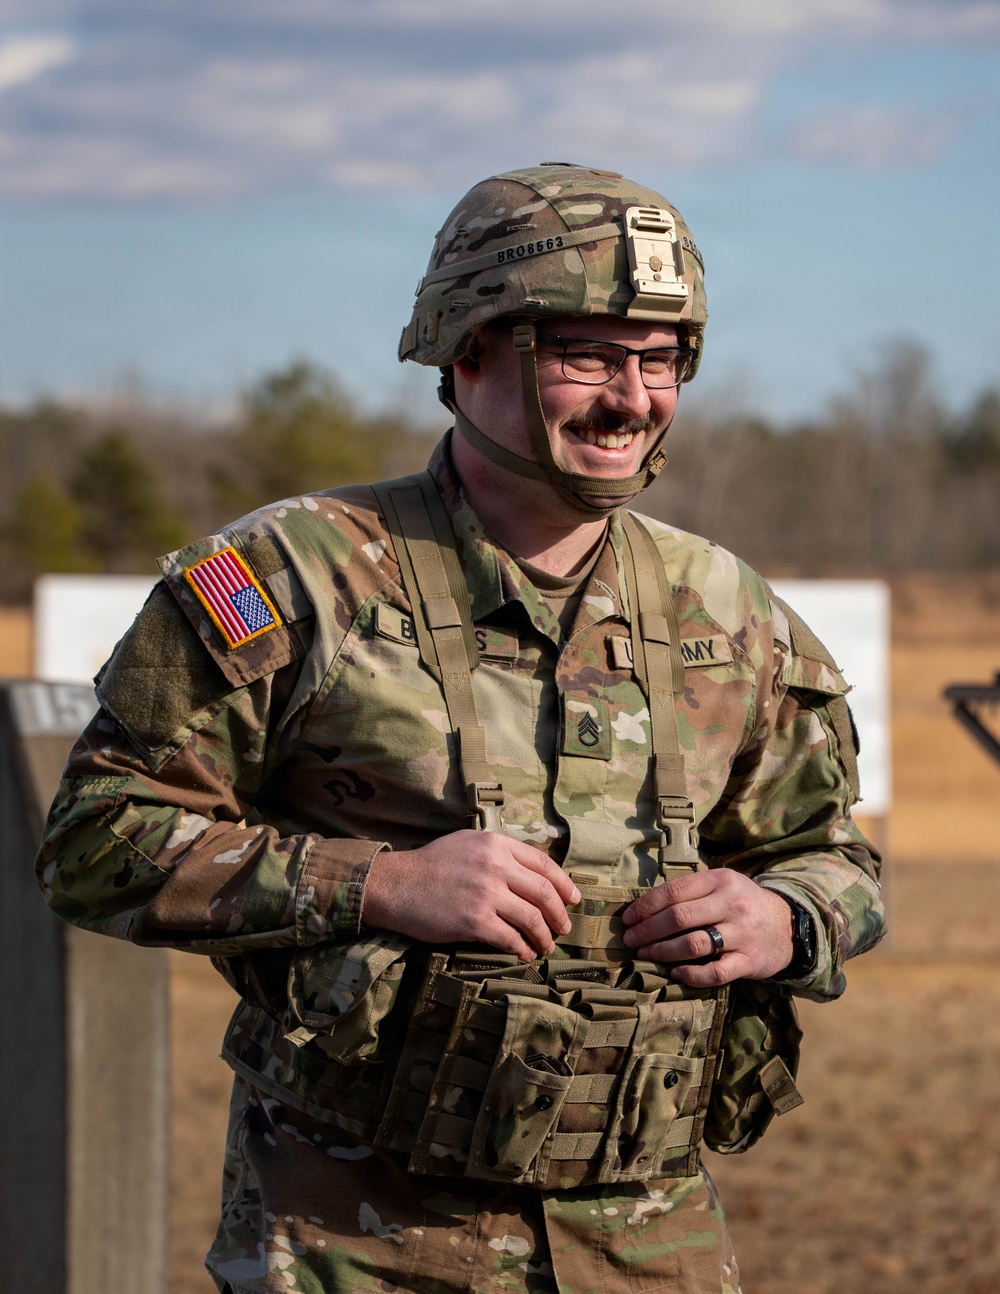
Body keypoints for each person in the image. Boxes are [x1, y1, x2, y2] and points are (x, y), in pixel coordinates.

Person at [36, 163, 885, 1294]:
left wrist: (784, 913)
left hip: (647, 1241)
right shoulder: (294, 578)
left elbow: (841, 863)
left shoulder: (729, 611)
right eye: (585, 355)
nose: (630, 399)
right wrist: (376, 885)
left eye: (658, 360)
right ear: (467, 350)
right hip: (359, 1241)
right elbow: (94, 840)